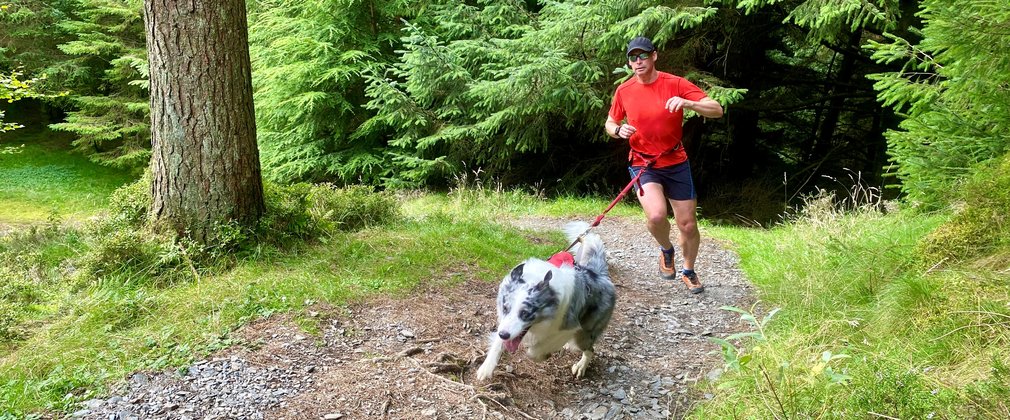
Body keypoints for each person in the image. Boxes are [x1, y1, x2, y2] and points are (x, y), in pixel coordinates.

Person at [605, 36, 723, 294]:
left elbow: (716, 109)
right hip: (643, 163)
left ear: (654, 56)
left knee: (688, 224)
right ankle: (666, 250)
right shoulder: (624, 90)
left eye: (643, 56)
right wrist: (618, 130)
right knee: (657, 215)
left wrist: (688, 102)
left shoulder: (675, 83)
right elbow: (610, 122)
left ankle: (689, 270)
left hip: (676, 161)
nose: (638, 62)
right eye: (633, 58)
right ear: (629, 62)